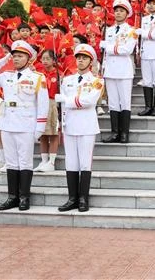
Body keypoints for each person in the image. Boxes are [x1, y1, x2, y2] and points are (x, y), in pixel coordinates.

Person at [0, 41, 49, 211]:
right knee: (11, 162)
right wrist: (3, 60)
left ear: (29, 58)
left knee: (25, 162)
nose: (16, 59)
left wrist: (40, 127)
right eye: (14, 56)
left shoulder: (37, 78)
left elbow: (43, 104)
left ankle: (24, 197)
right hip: (7, 123)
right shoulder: (6, 76)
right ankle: (12, 197)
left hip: (26, 124)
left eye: (20, 56)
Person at [55, 44, 103, 212]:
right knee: (71, 162)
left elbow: (89, 101)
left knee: (84, 163)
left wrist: (66, 100)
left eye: (84, 58)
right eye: (78, 58)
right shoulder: (67, 80)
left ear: (91, 61)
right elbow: (63, 106)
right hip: (70, 124)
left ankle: (83, 198)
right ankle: (72, 198)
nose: (80, 61)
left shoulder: (97, 81)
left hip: (87, 126)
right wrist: (61, 120)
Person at [100, 0, 137, 144]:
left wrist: (108, 47)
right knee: (113, 103)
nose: (118, 13)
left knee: (125, 102)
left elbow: (127, 49)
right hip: (110, 69)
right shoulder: (108, 30)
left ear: (127, 14)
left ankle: (124, 133)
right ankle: (115, 132)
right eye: (116, 11)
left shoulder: (131, 31)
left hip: (124, 70)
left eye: (121, 11)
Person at [34, 49, 60, 172]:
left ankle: (51, 161)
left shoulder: (58, 74)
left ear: (54, 60)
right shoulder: (39, 75)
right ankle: (44, 160)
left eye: (48, 58)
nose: (44, 61)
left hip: (53, 104)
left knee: (53, 133)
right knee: (42, 133)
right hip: (41, 104)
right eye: (43, 59)